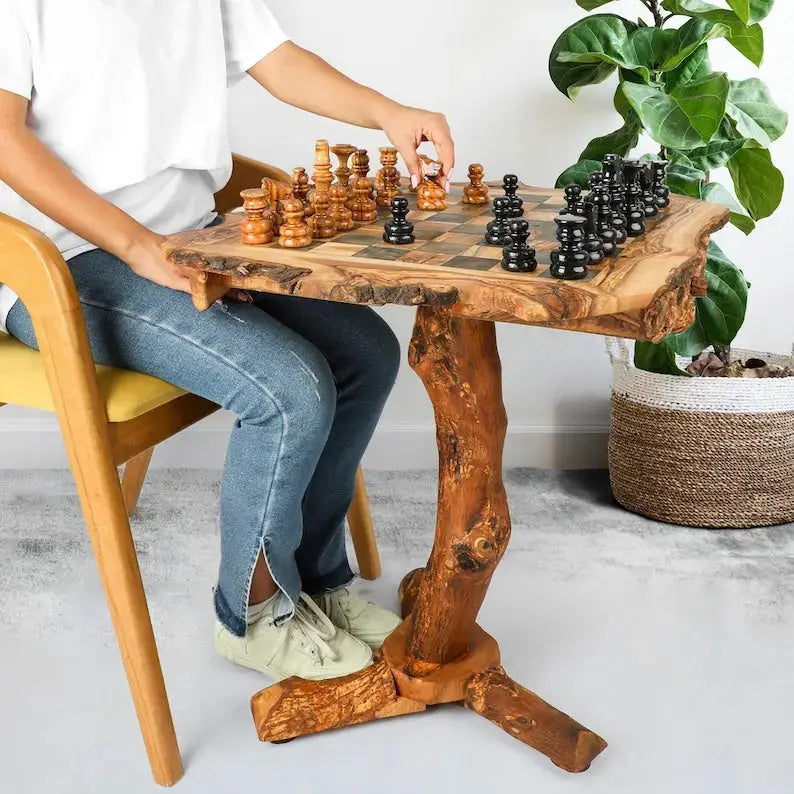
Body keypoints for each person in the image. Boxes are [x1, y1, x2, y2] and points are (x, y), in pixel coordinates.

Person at [0, 0, 455, 682]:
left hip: (190, 240)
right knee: (290, 386)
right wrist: (136, 245)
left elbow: (277, 60)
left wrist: (387, 112)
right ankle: (254, 614)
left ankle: (313, 581)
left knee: (364, 352)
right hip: (63, 262)